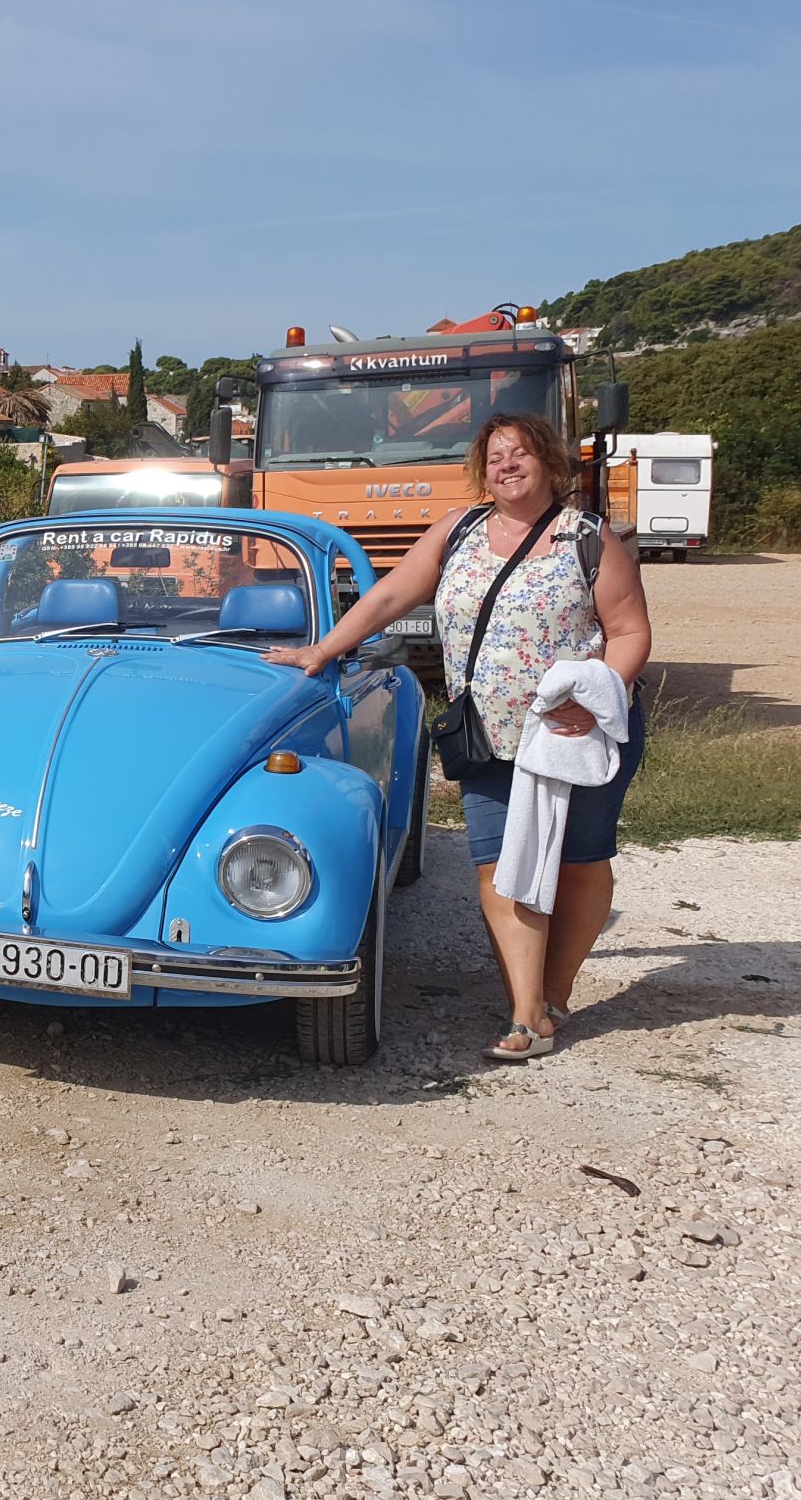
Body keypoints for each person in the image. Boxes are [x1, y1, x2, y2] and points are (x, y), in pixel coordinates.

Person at [265, 412, 652, 1061]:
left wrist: (598, 698)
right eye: (495, 457)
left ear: (549, 463)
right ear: (482, 471)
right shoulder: (458, 530)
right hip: (487, 732)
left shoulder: (588, 539)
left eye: (520, 454)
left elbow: (631, 632)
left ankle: (555, 992)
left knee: (579, 862)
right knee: (499, 866)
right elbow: (390, 597)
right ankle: (527, 1012)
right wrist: (323, 650)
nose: (507, 466)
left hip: (575, 734)